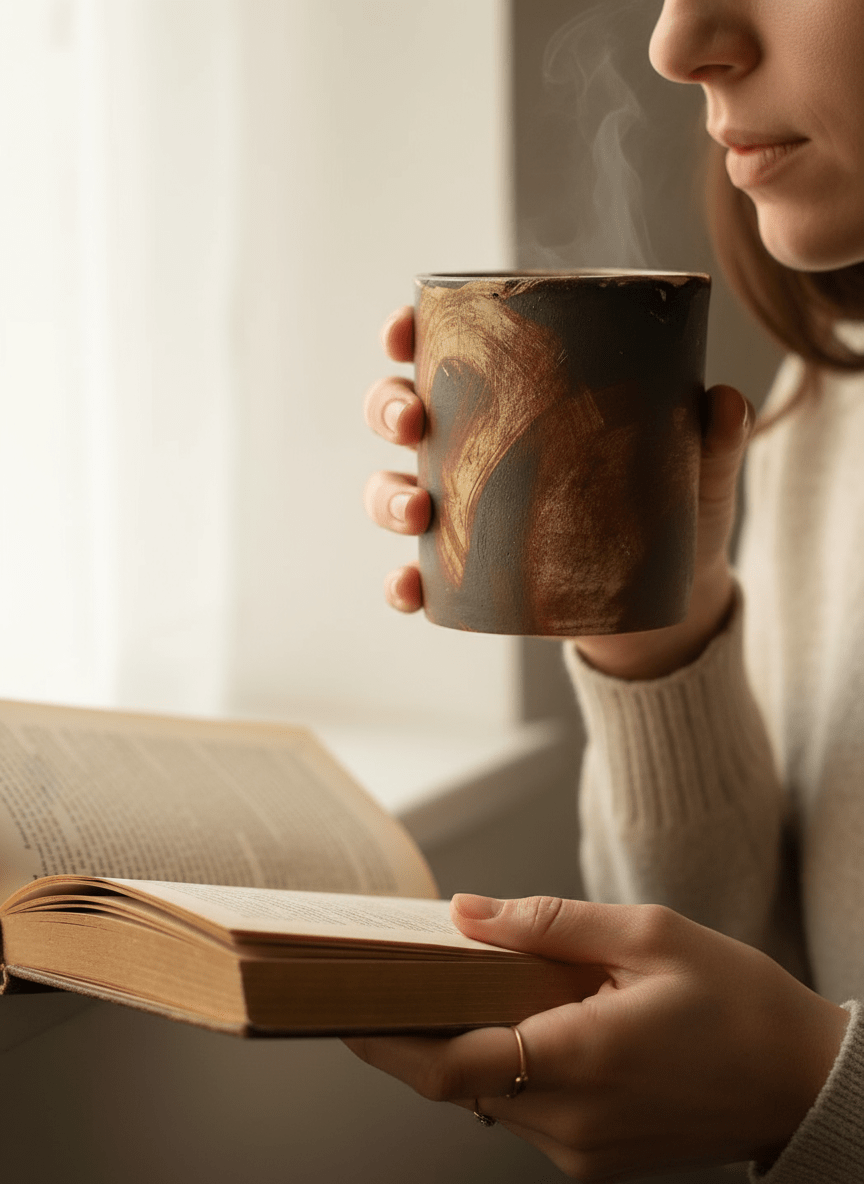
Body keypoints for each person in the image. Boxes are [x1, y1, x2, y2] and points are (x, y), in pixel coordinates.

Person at [351, 1, 864, 1180]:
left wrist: (812, 1090)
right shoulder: (817, 423)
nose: (675, 44)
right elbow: (737, 968)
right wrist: (660, 633)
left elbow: (790, 1056)